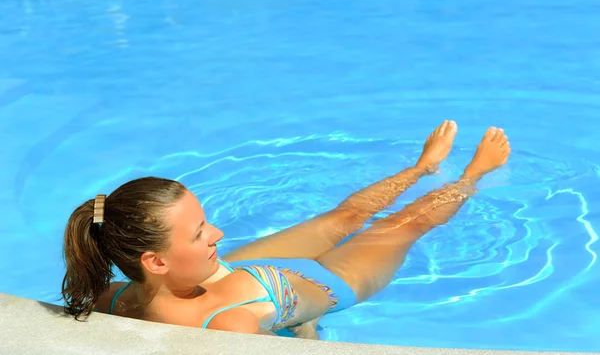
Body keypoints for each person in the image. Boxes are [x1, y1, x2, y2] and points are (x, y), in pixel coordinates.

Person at [61, 121, 511, 338]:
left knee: (343, 217)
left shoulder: (111, 298)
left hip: (247, 272)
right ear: (155, 261)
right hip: (330, 283)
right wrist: (307, 325)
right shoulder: (230, 327)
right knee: (404, 226)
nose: (217, 233)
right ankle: (470, 176)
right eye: (200, 233)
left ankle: (421, 168)